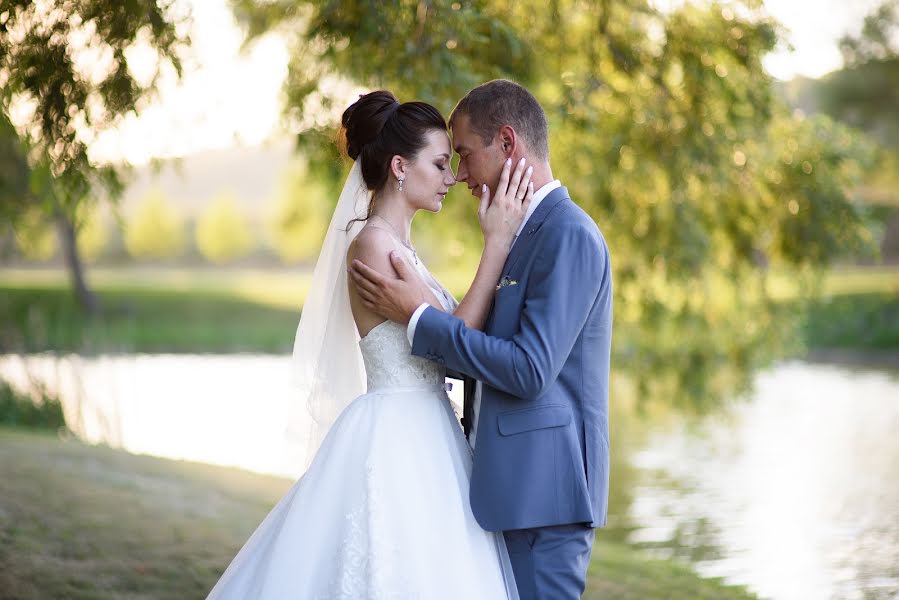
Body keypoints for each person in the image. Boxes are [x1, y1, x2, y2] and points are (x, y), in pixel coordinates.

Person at [205, 89, 535, 599]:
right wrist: (496, 243)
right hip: (400, 431)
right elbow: (457, 339)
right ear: (400, 167)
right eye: (441, 163)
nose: (453, 178)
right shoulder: (375, 246)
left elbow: (451, 333)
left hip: (430, 428)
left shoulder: (401, 247)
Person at [350, 79, 613, 600]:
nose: (461, 174)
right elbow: (480, 355)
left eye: (465, 155)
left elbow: (529, 370)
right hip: (505, 488)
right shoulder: (520, 233)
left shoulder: (567, 233)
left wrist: (419, 317)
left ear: (508, 144)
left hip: (547, 497)